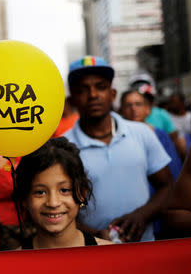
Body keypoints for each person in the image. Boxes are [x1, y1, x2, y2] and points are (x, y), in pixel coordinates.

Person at [64, 56, 174, 242]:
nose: (93, 95)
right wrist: (91, 234)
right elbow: (57, 208)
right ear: (72, 100)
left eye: (100, 87)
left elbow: (167, 186)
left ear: (113, 94)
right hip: (90, 254)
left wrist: (141, 216)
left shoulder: (142, 133)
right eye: (83, 89)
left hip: (144, 249)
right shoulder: (64, 147)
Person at [14, 137, 112, 249]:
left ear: (82, 193)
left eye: (64, 190)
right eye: (40, 192)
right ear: (24, 200)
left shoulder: (112, 255)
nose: (53, 203)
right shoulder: (12, 264)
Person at [120, 90, 182, 181]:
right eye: (128, 105)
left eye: (138, 104)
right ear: (121, 111)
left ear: (148, 109)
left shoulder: (160, 135)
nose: (133, 108)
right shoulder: (118, 137)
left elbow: (174, 168)